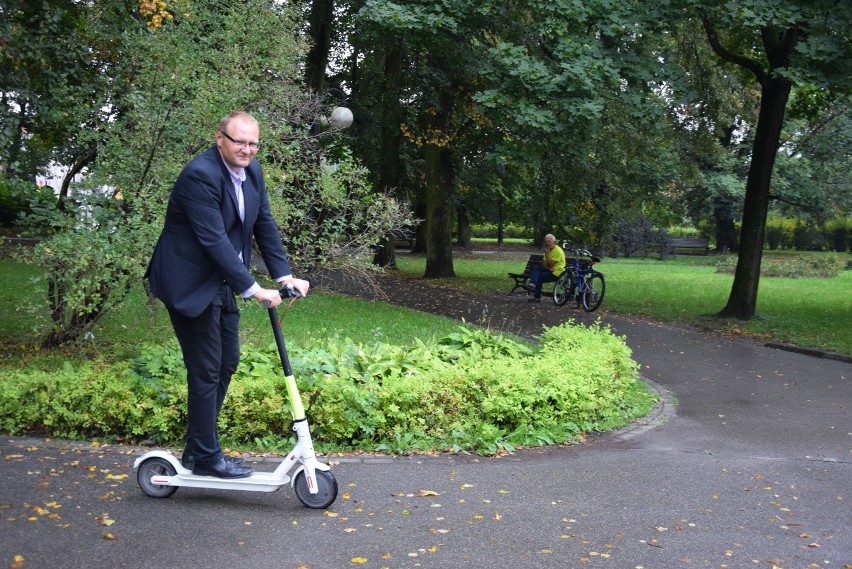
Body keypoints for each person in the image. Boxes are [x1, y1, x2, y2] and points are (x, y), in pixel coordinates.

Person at [146, 111, 309, 479]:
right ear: (219, 138)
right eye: (239, 141)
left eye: (253, 143)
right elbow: (213, 240)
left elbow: (263, 222)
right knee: (205, 369)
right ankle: (206, 455)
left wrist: (284, 276)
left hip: (218, 280)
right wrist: (254, 290)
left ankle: (197, 450)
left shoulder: (253, 171)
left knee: (227, 362)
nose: (247, 150)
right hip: (188, 282)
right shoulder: (199, 175)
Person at [527, 234, 565, 303]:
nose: (547, 243)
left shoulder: (558, 251)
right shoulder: (548, 249)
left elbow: (551, 264)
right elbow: (544, 263)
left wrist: (547, 254)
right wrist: (548, 267)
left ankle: (537, 297)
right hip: (550, 269)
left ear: (554, 242)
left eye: (549, 241)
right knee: (536, 267)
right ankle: (532, 284)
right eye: (546, 242)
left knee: (540, 277)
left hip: (557, 273)